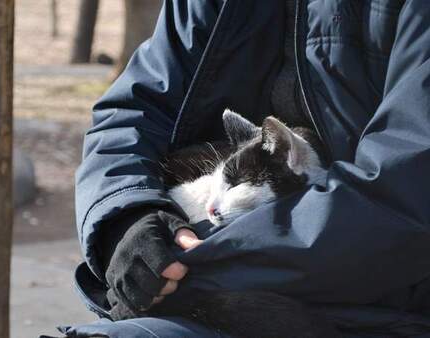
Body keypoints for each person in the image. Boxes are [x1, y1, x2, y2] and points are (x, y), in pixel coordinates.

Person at [62, 1, 430, 337]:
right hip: (206, 298)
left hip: (379, 311)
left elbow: (404, 191)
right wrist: (124, 220)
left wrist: (192, 265)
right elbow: (131, 114)